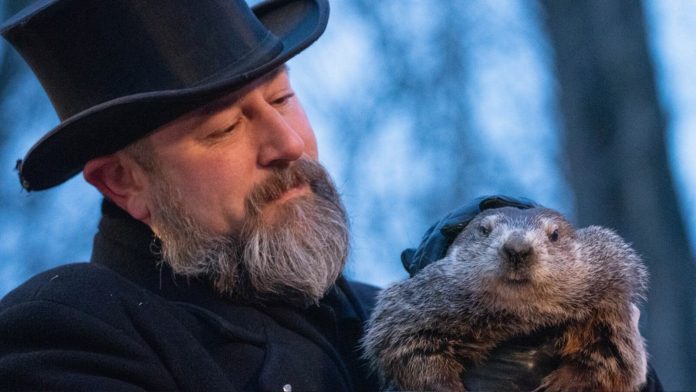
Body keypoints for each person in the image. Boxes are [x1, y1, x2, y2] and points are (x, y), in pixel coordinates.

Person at [0, 0, 662, 391]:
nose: (288, 142)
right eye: (223, 129)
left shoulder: (376, 316)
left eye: (284, 97)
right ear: (125, 181)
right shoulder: (65, 329)